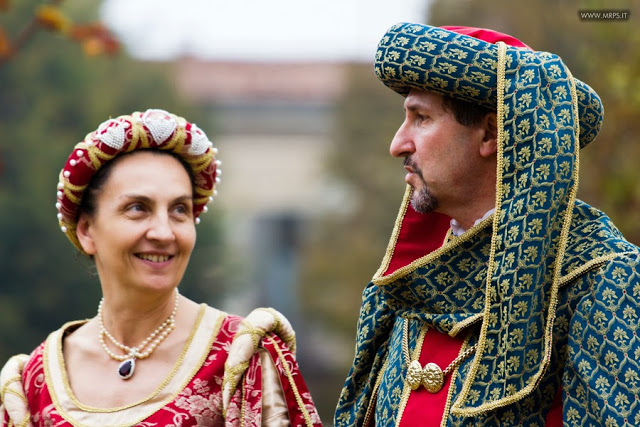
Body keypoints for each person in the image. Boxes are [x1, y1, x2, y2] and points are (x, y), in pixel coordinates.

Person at [334, 23, 640, 426]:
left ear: (491, 133)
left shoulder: (603, 279)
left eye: (421, 118)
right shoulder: (397, 289)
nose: (398, 145)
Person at [0, 109, 322, 426]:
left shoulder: (243, 358)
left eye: (179, 210)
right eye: (138, 208)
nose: (164, 233)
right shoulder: (36, 381)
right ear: (86, 230)